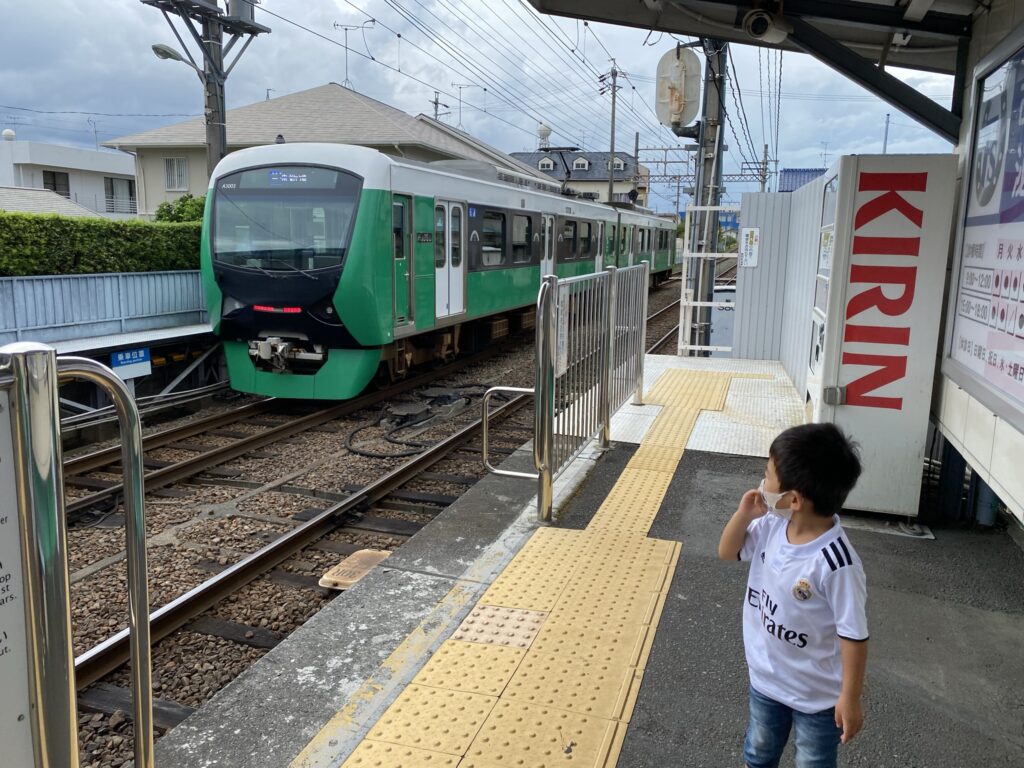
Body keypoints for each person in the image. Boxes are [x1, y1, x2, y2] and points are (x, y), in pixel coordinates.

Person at [718, 422, 867, 768]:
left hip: (818, 698)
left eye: (767, 476)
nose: (761, 484)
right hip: (767, 681)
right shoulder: (771, 525)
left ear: (794, 500)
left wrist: (850, 697)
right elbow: (728, 552)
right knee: (758, 752)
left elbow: (854, 635)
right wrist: (743, 516)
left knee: (812, 761)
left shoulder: (836, 563)